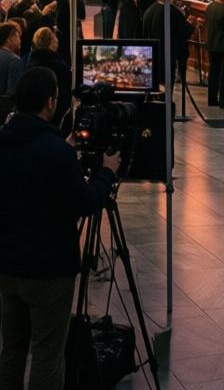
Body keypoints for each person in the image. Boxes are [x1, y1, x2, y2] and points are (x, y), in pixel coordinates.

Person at [0, 67, 120, 390]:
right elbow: (85, 202)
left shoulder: (5, 140)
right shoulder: (55, 152)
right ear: (51, 102)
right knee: (47, 355)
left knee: (10, 350)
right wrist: (107, 173)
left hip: (7, 267)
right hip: (48, 272)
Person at [25, 27, 72, 133]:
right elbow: (65, 96)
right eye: (55, 36)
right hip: (54, 118)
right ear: (51, 42)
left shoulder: (29, 62)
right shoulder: (59, 66)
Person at [0, 21, 25, 96]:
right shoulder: (14, 60)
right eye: (17, 37)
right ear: (9, 40)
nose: (20, 41)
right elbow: (13, 93)